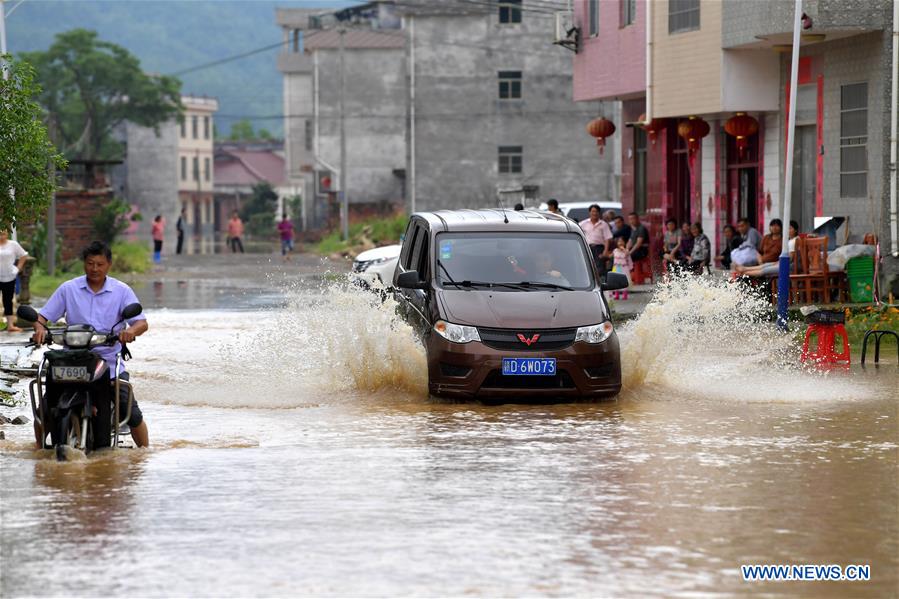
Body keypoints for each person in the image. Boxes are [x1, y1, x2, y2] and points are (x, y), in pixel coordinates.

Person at [30, 241, 150, 448]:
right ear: (84, 264)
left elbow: (141, 323)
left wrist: (130, 332)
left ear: (109, 265)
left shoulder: (121, 291)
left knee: (130, 411)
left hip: (108, 362)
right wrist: (39, 329)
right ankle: (39, 450)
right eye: (90, 263)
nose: (95, 269)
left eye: (100, 264)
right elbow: (41, 318)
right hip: (71, 361)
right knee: (45, 410)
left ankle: (145, 453)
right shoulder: (68, 289)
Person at [0, 230, 28, 333]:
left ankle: (10, 325)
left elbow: (23, 255)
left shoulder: (13, 244)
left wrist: (18, 268)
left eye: (3, 234)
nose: (1, 236)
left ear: (7, 234)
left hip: (9, 276)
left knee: (8, 300)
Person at [578, 204, 613, 272]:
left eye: (596, 211)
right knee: (587, 266)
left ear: (599, 213)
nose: (594, 213)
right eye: (593, 211)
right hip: (587, 248)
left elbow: (607, 239)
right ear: (589, 212)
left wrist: (605, 251)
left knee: (599, 268)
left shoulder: (604, 224)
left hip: (599, 249)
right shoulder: (583, 223)